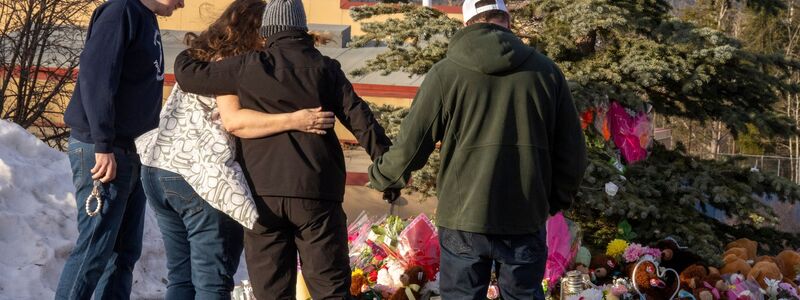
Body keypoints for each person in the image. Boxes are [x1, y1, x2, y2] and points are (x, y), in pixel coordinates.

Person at [367, 0, 588, 299]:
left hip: (463, 219)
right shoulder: (547, 73)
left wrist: (383, 176)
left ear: (466, 24)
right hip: (524, 216)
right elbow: (572, 154)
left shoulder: (446, 73)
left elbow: (412, 146)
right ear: (507, 21)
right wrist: (553, 202)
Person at [174, 0, 393, 299]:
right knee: (331, 291)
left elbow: (187, 75)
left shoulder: (247, 66)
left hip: (262, 194)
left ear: (268, 30)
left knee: (272, 292)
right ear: (302, 28)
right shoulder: (325, 68)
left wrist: (209, 39)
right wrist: (388, 169)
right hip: (317, 194)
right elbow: (361, 120)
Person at [134, 0, 336, 298]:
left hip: (158, 167)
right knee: (211, 282)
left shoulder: (202, 57)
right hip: (199, 175)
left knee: (181, 278)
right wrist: (296, 119)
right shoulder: (232, 63)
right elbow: (234, 121)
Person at [56, 0, 185, 299]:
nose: (182, 4)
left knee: (123, 253)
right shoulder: (120, 12)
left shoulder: (146, 17)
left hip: (132, 150)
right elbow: (97, 77)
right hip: (105, 150)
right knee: (95, 249)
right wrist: (103, 144)